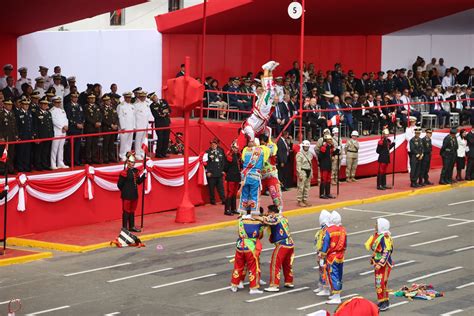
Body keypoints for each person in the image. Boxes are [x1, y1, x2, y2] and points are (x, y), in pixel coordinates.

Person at [236, 60, 279, 150]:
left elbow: (251, 137)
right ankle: (269, 71)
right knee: (271, 89)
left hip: (260, 111)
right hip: (264, 112)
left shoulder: (247, 129)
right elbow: (268, 129)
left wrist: (255, 146)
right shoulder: (259, 131)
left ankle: (266, 69)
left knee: (268, 90)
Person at [230, 210, 264, 294]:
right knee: (253, 267)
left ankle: (235, 284)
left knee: (238, 265)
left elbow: (239, 233)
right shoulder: (259, 222)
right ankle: (253, 288)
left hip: (240, 245)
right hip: (251, 246)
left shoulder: (241, 220)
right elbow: (260, 235)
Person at [263, 205, 295, 292]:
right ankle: (289, 281)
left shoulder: (275, 218)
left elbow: (269, 221)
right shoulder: (283, 217)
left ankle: (274, 285)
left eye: (269, 212)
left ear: (272, 212)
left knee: (275, 264)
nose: (268, 213)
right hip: (290, 243)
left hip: (282, 244)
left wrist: (259, 217)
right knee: (287, 264)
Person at [365, 218, 393, 312]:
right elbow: (377, 250)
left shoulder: (385, 237)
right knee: (379, 283)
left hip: (383, 265)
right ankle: (382, 301)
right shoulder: (378, 236)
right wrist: (373, 258)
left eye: (377, 224)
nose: (375, 226)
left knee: (381, 283)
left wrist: (380, 264)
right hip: (377, 263)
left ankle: (384, 302)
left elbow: (386, 252)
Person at [320, 211, 346, 305]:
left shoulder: (329, 230)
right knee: (339, 274)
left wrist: (322, 256)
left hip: (332, 256)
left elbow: (325, 245)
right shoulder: (343, 229)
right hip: (341, 255)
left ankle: (336, 296)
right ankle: (336, 294)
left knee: (333, 275)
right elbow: (345, 244)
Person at [117, 152, 146, 232]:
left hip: (134, 194)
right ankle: (124, 227)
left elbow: (138, 182)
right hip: (126, 195)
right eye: (130, 162)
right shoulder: (124, 173)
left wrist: (144, 175)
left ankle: (131, 226)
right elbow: (119, 185)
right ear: (127, 162)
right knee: (126, 211)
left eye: (133, 162)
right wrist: (125, 190)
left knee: (132, 211)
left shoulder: (135, 171)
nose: (132, 164)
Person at [239, 139, 269, 214]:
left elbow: (242, 160)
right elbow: (265, 160)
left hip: (245, 176)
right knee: (254, 195)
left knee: (244, 195)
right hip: (255, 176)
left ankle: (243, 211)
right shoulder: (262, 151)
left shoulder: (245, 151)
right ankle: (254, 212)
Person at [260, 134, 283, 212]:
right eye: (260, 143)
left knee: (275, 196)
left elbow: (272, 152)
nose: (261, 145)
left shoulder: (272, 147)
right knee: (254, 197)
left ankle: (278, 213)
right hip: (259, 177)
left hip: (271, 175)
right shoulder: (254, 149)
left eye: (263, 143)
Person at [34, 98, 54, 171]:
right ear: (40, 104)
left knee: (45, 151)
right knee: (39, 151)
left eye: (46, 104)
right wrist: (36, 136)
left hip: (48, 136)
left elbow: (50, 125)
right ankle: (38, 165)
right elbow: (35, 126)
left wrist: (51, 135)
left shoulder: (48, 113)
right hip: (40, 136)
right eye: (44, 104)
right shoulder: (36, 113)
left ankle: (44, 164)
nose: (45, 105)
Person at [65, 92, 84, 166]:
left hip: (79, 129)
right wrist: (76, 124)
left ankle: (76, 160)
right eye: (74, 97)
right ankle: (69, 161)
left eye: (76, 97)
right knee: (70, 146)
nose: (75, 99)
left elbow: (82, 116)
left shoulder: (79, 106)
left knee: (77, 146)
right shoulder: (68, 106)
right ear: (71, 98)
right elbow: (69, 118)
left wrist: (82, 123)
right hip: (72, 129)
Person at [149, 92, 171, 158]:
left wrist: (164, 112)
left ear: (156, 96)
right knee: (160, 139)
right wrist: (164, 112)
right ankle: (158, 153)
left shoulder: (164, 101)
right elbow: (156, 115)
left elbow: (169, 110)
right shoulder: (152, 105)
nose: (154, 99)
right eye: (152, 98)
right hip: (159, 124)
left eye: (154, 97)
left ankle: (164, 152)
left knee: (166, 139)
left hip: (166, 122)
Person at [314, 210, 331, 295]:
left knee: (325, 270)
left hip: (324, 254)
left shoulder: (327, 229)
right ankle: (320, 285)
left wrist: (322, 254)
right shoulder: (322, 229)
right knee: (320, 270)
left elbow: (326, 243)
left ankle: (326, 289)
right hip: (320, 252)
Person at [49, 96, 69, 169]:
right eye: (57, 102)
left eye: (59, 102)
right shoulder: (52, 110)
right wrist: (62, 127)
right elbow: (54, 121)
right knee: (54, 149)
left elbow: (66, 119)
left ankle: (60, 162)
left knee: (61, 148)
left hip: (63, 132)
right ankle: (53, 164)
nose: (58, 104)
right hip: (57, 131)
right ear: (53, 102)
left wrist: (66, 126)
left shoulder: (62, 110)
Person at [204, 138, 225, 205]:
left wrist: (223, 170)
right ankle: (212, 200)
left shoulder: (220, 151)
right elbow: (205, 163)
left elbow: (223, 162)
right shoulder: (207, 152)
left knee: (221, 188)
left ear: (217, 144)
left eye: (215, 144)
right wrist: (207, 171)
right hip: (212, 173)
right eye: (212, 144)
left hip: (219, 173)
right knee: (211, 188)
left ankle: (223, 199)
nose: (213, 145)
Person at [15, 97, 34, 172]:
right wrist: (18, 136)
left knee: (27, 152)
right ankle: (20, 167)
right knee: (21, 152)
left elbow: (31, 124)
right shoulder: (18, 113)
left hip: (28, 136)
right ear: (22, 105)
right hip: (22, 136)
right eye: (25, 104)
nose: (26, 106)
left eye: (27, 104)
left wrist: (32, 134)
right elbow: (16, 126)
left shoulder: (29, 113)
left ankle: (26, 166)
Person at [0, 100, 18, 174]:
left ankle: (10, 169)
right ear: (4, 105)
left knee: (11, 154)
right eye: (8, 105)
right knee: (3, 154)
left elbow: (15, 126)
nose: (10, 106)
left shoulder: (12, 113)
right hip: (4, 137)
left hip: (11, 137)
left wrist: (16, 136)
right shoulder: (1, 114)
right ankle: (2, 169)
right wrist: (1, 137)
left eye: (11, 105)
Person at [84, 94, 102, 164]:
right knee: (88, 145)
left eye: (93, 98)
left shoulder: (97, 106)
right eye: (91, 98)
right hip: (89, 128)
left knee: (95, 144)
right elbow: (87, 117)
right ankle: (88, 159)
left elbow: (100, 115)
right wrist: (95, 123)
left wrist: (99, 122)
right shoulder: (86, 107)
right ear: (88, 99)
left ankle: (94, 158)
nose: (92, 100)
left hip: (96, 129)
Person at [224, 142, 241, 216]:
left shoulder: (238, 155)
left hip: (237, 176)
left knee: (234, 193)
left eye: (236, 148)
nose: (235, 149)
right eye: (234, 148)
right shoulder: (229, 155)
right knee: (230, 193)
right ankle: (227, 209)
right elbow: (226, 167)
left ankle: (233, 209)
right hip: (231, 176)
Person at [319, 135, 338, 199]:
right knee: (323, 179)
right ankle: (322, 194)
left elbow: (332, 154)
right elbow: (320, 156)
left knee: (328, 179)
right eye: (329, 139)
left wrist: (337, 150)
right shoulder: (324, 146)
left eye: (331, 139)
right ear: (326, 140)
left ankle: (327, 193)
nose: (331, 140)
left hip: (329, 165)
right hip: (324, 165)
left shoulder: (330, 147)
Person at [101, 95, 119, 163]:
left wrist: (116, 124)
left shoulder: (113, 108)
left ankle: (112, 157)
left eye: (109, 100)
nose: (108, 101)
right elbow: (103, 119)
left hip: (113, 129)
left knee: (112, 144)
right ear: (104, 101)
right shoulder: (102, 109)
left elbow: (116, 117)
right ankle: (105, 158)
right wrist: (111, 125)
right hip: (107, 128)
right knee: (106, 144)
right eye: (107, 100)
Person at [133, 91, 151, 160]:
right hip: (138, 125)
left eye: (144, 97)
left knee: (143, 140)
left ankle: (142, 153)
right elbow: (134, 116)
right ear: (139, 97)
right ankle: (137, 153)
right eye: (142, 97)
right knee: (138, 140)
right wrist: (134, 126)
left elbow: (147, 115)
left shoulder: (146, 104)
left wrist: (147, 125)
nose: (143, 98)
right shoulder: (135, 105)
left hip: (145, 125)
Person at [117, 92, 135, 161]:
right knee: (123, 142)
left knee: (129, 142)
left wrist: (134, 126)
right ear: (124, 98)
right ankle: (122, 155)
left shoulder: (132, 106)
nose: (129, 99)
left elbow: (133, 117)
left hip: (130, 127)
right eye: (127, 97)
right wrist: (122, 127)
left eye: (130, 97)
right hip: (124, 128)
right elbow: (120, 117)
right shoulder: (121, 106)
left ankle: (128, 154)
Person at [296, 140, 313, 206]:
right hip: (302, 171)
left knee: (307, 187)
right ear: (303, 146)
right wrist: (299, 174)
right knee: (301, 187)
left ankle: (305, 199)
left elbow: (310, 164)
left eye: (307, 147)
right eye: (305, 147)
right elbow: (298, 165)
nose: (306, 148)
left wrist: (312, 173)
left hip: (309, 170)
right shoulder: (299, 154)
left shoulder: (310, 154)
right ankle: (299, 200)